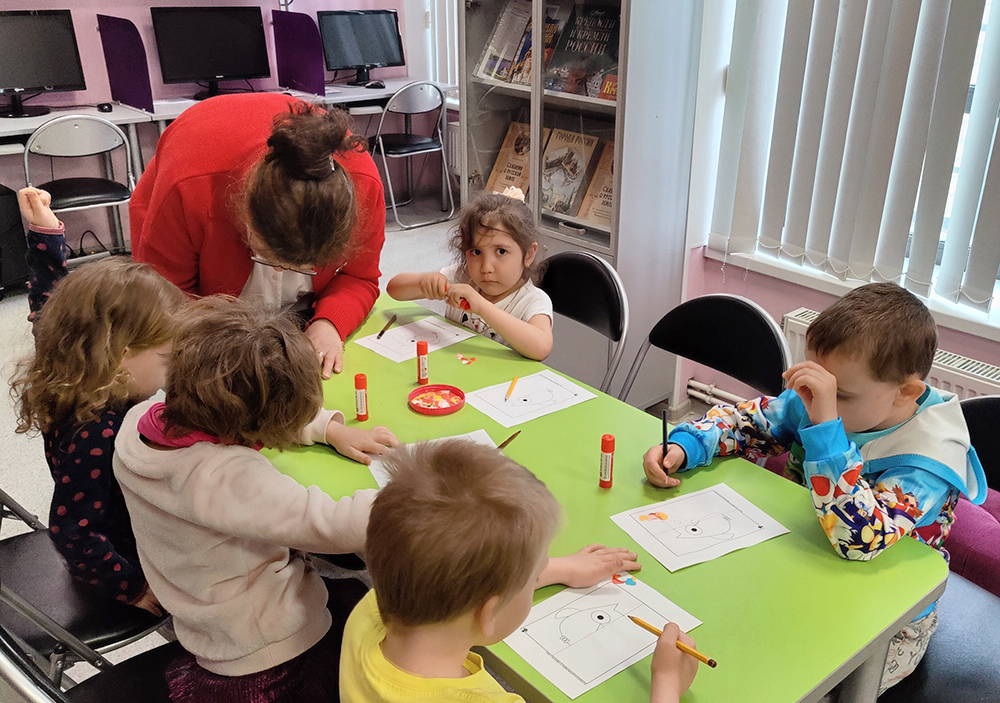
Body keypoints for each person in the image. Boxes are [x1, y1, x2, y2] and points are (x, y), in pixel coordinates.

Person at [642, 282, 987, 693]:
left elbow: (858, 539)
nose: (814, 401)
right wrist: (688, 444)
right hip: (801, 568)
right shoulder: (827, 398)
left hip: (887, 620)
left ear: (905, 393)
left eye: (839, 394)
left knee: (809, 688)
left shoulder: (926, 459)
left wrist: (826, 431)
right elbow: (747, 422)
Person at [113, 296, 398, 702]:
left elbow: (245, 410)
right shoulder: (222, 476)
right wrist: (415, 493)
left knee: (351, 595)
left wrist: (329, 429)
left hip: (207, 621)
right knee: (381, 635)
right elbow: (332, 524)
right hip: (271, 650)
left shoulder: (141, 421)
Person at [341, 440, 697, 703]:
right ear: (490, 612)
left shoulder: (368, 612)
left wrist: (561, 568)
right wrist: (666, 686)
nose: (542, 571)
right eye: (536, 573)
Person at [12, 191, 188, 614]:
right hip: (126, 551)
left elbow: (49, 302)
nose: (171, 372)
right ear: (121, 355)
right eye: (165, 358)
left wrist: (45, 236)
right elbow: (73, 532)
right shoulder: (96, 431)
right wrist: (132, 587)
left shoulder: (70, 362)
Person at [130, 93, 387, 378]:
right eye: (266, 257)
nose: (280, 272)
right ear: (242, 213)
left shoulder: (363, 187)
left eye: (302, 267)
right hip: (192, 175)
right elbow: (169, 303)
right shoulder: (187, 188)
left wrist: (329, 323)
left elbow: (360, 277)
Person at [386, 189, 553, 360]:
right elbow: (394, 290)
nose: (486, 267)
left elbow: (541, 347)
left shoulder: (532, 300)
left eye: (501, 251)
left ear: (528, 255)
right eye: (476, 252)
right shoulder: (462, 277)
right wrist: (423, 281)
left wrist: (481, 306)